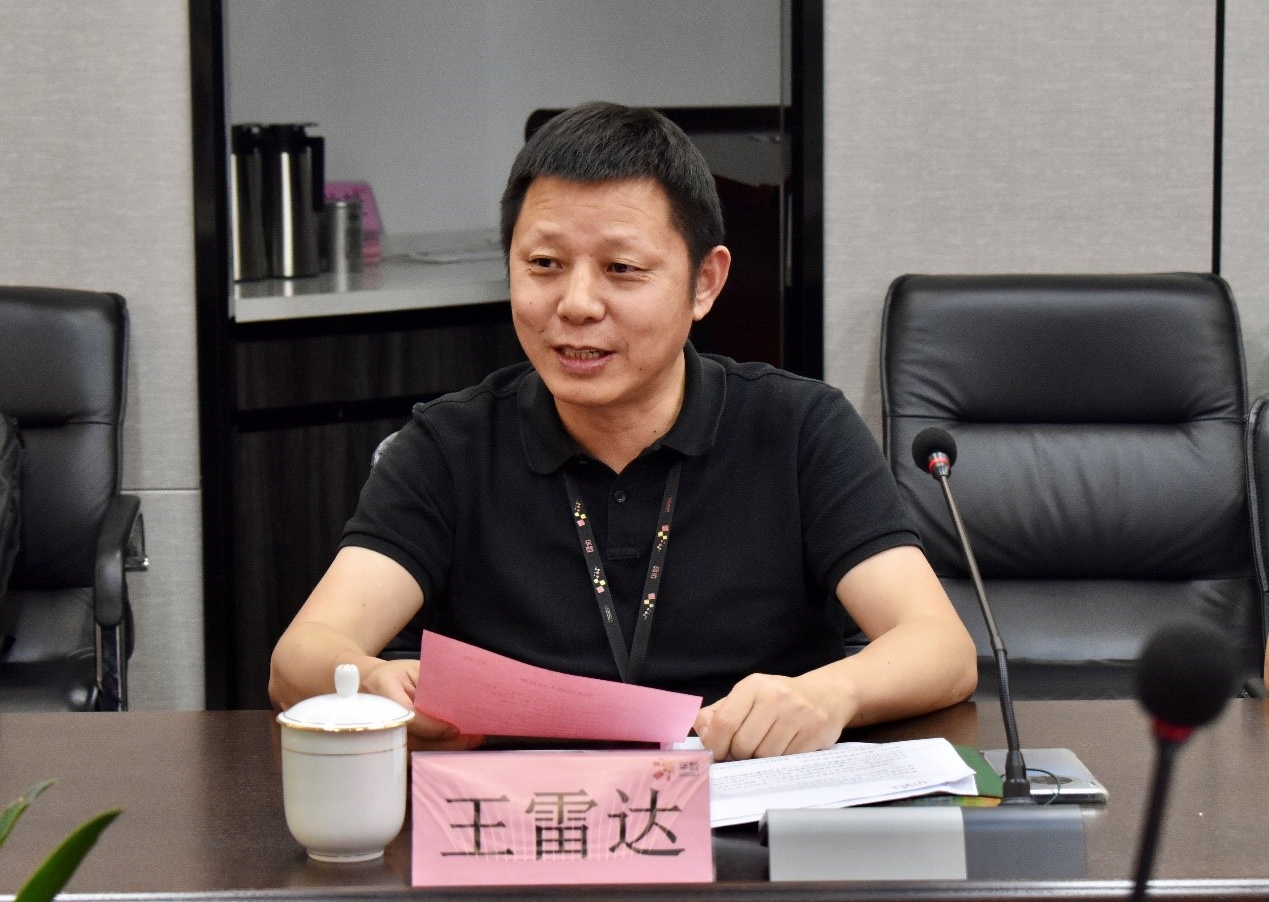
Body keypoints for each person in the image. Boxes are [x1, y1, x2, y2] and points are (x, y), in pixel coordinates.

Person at [269, 101, 977, 760]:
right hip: (531, 818)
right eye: (543, 265)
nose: (576, 304)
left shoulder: (798, 429)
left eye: (622, 269)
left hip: (746, 802)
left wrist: (830, 691)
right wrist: (367, 678)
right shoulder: (448, 447)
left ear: (704, 282)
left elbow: (941, 647)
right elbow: (299, 656)